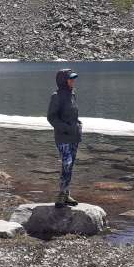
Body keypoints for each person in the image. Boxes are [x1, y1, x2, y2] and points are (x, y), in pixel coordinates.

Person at [47, 69, 82, 208]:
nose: (73, 81)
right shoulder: (56, 96)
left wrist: (78, 126)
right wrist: (66, 128)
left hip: (74, 136)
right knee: (66, 163)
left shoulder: (72, 93)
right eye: (70, 79)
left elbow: (73, 114)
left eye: (73, 78)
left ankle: (66, 194)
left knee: (70, 165)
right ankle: (61, 195)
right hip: (63, 137)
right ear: (63, 81)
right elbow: (51, 117)